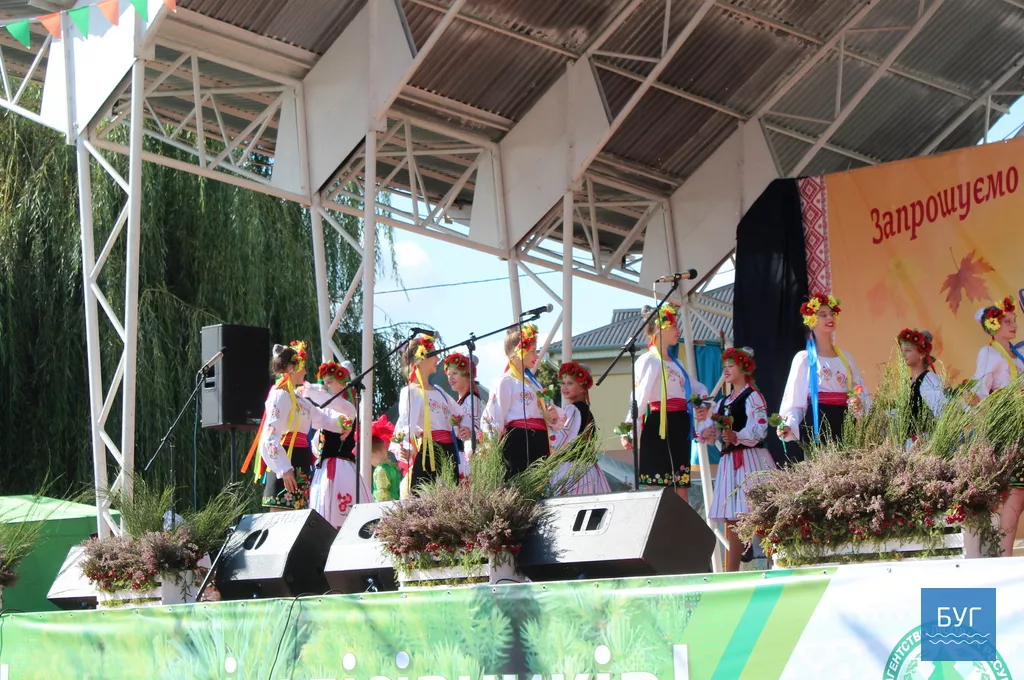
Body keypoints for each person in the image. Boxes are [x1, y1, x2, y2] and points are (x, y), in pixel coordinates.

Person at [241, 342, 355, 511]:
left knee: (298, 517)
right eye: (303, 367)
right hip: (286, 460)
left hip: (300, 461)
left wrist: (344, 423)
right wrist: (284, 469)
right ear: (292, 368)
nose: (305, 372)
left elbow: (322, 419)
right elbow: (270, 436)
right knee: (280, 515)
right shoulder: (280, 395)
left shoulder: (300, 400)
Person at [696, 347, 776, 572]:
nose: (726, 370)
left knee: (759, 512)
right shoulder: (723, 402)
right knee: (733, 518)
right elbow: (714, 432)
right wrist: (708, 431)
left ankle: (774, 563)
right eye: (725, 366)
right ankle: (731, 572)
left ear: (744, 368)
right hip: (730, 462)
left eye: (731, 366)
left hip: (751, 460)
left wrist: (737, 436)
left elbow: (760, 429)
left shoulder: (753, 396)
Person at [619, 303, 704, 503]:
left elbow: (697, 388)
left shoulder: (677, 363)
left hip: (679, 425)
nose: (678, 331)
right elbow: (639, 398)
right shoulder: (649, 360)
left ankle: (683, 523)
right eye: (674, 326)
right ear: (660, 328)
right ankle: (659, 521)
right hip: (660, 425)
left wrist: (703, 405)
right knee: (657, 485)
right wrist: (629, 430)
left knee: (680, 485)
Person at [777, 293, 870, 458]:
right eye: (823, 314)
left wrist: (858, 402)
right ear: (811, 320)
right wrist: (788, 424)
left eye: (832, 314)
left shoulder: (846, 358)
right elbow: (795, 399)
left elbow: (859, 387)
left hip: (845, 421)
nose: (830, 317)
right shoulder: (804, 358)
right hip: (818, 421)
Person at [971, 297, 1023, 556]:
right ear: (993, 325)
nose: (1013, 326)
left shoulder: (1017, 353)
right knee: (1016, 488)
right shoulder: (989, 353)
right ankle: (1004, 555)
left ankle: (1004, 553)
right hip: (1008, 425)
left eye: (1014, 321)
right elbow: (980, 391)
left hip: (1020, 422)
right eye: (1007, 322)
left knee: (1018, 490)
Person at [391, 333, 472, 497]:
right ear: (421, 358)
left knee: (452, 503)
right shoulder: (411, 392)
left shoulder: (439, 391)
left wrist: (465, 429)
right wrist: (404, 447)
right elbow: (406, 425)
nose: (438, 358)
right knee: (425, 503)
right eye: (434, 354)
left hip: (450, 453)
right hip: (430, 453)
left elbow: (460, 414)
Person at [482, 324, 562, 481]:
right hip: (519, 440)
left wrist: (551, 416)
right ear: (518, 351)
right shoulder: (505, 381)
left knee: (539, 486)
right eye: (532, 351)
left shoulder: (534, 383)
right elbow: (495, 416)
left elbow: (546, 413)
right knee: (518, 484)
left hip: (539, 440)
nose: (536, 355)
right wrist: (490, 448)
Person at [304, 360, 367, 528]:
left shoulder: (348, 408)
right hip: (324, 469)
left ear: (342, 384)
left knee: (343, 510)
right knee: (324, 509)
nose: (326, 386)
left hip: (342, 467)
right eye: (324, 383)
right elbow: (315, 441)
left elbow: (332, 402)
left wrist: (309, 390)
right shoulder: (325, 411)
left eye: (330, 382)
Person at [549, 362, 611, 495]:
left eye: (570, 383)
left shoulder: (572, 409)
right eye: (563, 383)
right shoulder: (586, 411)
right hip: (587, 470)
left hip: (573, 470)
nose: (564, 387)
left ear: (582, 388)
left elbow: (563, 439)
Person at [897, 328, 946, 442]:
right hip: (911, 443)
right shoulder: (909, 383)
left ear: (922, 354)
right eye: (902, 350)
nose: (903, 354)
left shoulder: (929, 379)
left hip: (926, 441)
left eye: (908, 350)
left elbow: (941, 411)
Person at [443, 352, 483, 478]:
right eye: (448, 374)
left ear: (466, 375)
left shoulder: (472, 399)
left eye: (454, 373)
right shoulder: (460, 402)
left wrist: (470, 432)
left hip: (470, 455)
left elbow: (478, 425)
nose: (450, 378)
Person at [365, 415, 401, 502]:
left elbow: (381, 494)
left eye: (371, 457)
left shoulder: (380, 470)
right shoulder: (392, 467)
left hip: (385, 506)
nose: (370, 461)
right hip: (396, 503)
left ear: (377, 453)